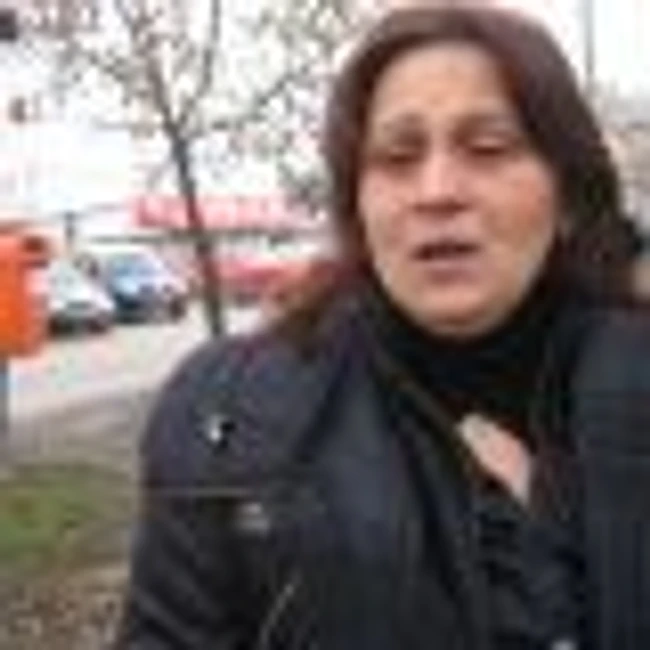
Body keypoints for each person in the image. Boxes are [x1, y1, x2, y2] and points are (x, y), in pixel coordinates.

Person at [114, 6, 650, 649]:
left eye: (487, 148)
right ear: (357, 206)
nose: (437, 191)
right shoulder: (227, 414)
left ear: (566, 195)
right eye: (397, 157)